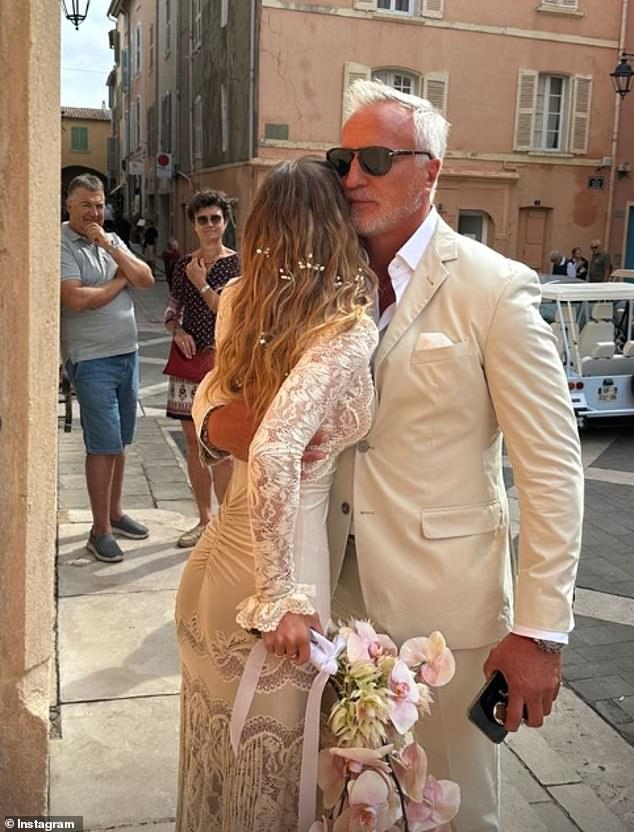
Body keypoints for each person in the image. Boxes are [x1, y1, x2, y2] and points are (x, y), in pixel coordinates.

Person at [204, 81, 584, 832]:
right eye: (342, 158)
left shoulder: (494, 291)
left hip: (445, 614)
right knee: (343, 806)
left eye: (376, 159)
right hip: (324, 604)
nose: (351, 178)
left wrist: (540, 631)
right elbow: (218, 399)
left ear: (432, 170)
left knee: (456, 807)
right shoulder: (301, 276)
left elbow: (552, 470)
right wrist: (228, 427)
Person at [174, 158, 378, 831]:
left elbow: (222, 401)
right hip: (279, 579)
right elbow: (272, 448)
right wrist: (281, 598)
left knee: (221, 756)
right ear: (334, 230)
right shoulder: (344, 328)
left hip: (213, 564)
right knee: (271, 777)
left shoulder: (236, 299)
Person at [60, 174, 155, 563]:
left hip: (127, 353)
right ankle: (98, 531)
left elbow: (145, 279)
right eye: (86, 205)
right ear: (69, 204)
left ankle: (114, 514)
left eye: (99, 205)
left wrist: (113, 251)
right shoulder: (62, 242)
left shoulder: (110, 239)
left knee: (121, 442)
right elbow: (77, 298)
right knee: (103, 446)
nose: (94, 212)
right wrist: (119, 283)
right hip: (91, 357)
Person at [164, 191, 238, 548]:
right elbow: (173, 306)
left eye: (215, 218)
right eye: (202, 220)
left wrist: (203, 284)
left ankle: (226, 523)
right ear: (193, 225)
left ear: (225, 222)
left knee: (222, 443)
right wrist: (176, 331)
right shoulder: (182, 265)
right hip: (189, 361)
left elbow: (232, 312)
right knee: (194, 443)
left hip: (225, 362)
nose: (210, 225)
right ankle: (204, 519)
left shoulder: (238, 265)